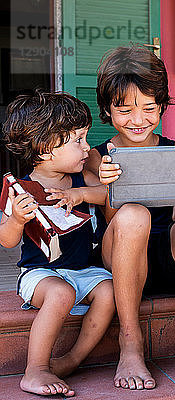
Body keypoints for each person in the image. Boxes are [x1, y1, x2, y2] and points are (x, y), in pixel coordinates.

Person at [85, 45, 175, 391]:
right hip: (122, 259)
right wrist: (109, 185)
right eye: (124, 110)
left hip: (174, 256)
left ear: (162, 106)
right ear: (107, 110)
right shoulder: (96, 159)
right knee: (133, 214)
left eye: (149, 108)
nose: (137, 120)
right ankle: (131, 342)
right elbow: (110, 219)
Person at [0, 92, 114, 397]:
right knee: (61, 293)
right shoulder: (22, 190)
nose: (88, 147)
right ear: (47, 148)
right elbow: (7, 240)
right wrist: (16, 221)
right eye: (78, 140)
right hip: (40, 273)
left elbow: (109, 195)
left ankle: (71, 360)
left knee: (111, 292)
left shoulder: (83, 179)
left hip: (84, 269)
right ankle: (35, 370)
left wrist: (80, 196)